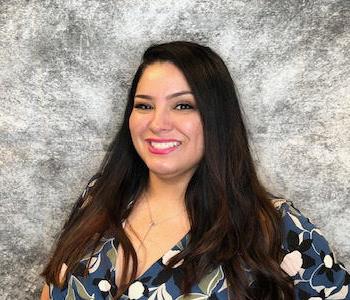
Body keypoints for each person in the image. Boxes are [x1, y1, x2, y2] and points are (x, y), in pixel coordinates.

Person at [41, 41, 350, 300]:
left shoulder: (277, 227)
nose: (157, 123)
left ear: (217, 118)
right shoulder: (99, 195)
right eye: (144, 105)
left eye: (183, 106)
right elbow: (52, 286)